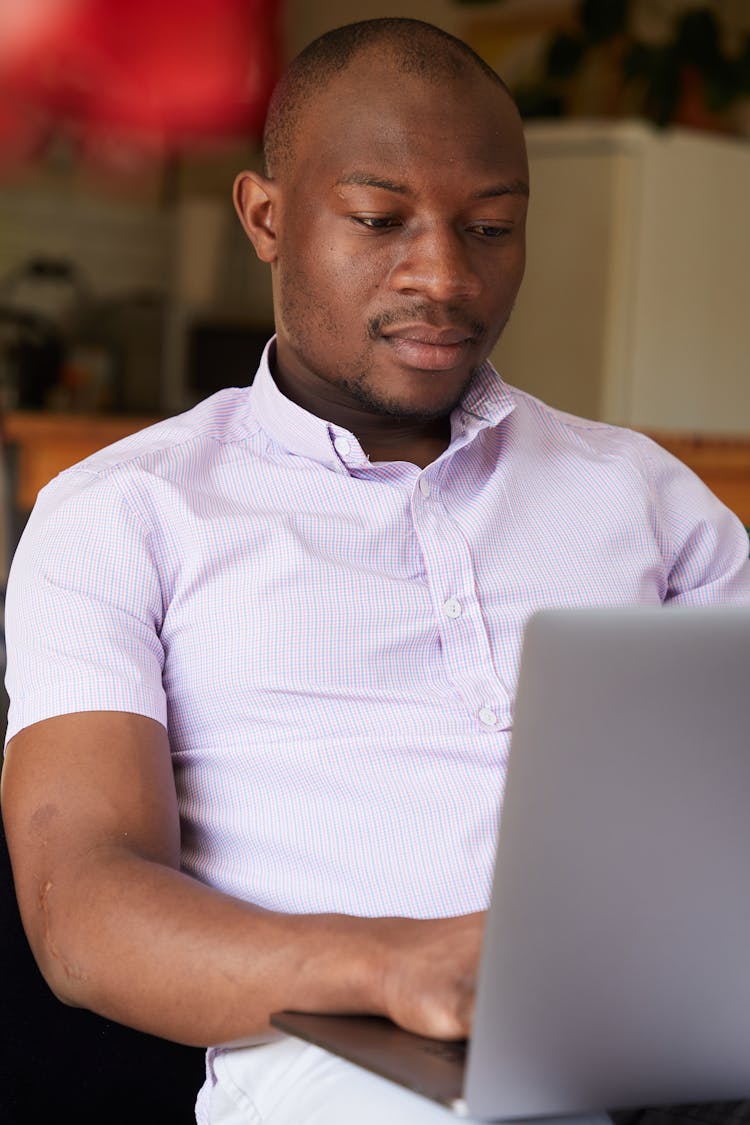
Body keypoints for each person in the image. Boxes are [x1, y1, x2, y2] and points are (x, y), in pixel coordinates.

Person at [2, 17, 750, 1125]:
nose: (446, 275)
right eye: (378, 220)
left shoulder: (640, 491)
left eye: (491, 226)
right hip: (355, 1056)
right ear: (266, 217)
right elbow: (84, 909)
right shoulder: (123, 513)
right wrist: (392, 968)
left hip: (692, 1013)